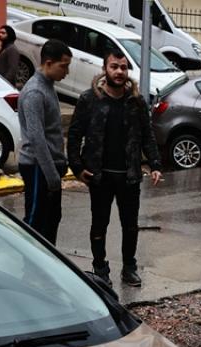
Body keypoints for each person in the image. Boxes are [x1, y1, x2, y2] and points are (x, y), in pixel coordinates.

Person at [67, 48, 163, 288]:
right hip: (99, 177)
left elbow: (147, 136)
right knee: (99, 224)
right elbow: (74, 135)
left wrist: (155, 164)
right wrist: (77, 167)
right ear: (104, 69)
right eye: (114, 67)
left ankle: (129, 267)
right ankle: (100, 268)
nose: (119, 72)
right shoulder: (89, 99)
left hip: (129, 177)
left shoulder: (136, 102)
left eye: (123, 67)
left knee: (130, 225)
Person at [18, 39, 71, 244]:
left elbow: (52, 132)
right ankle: (29, 271)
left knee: (51, 220)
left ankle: (49, 268)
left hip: (48, 168)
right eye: (63, 66)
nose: (66, 72)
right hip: (38, 167)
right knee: (35, 224)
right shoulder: (35, 92)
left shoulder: (48, 86)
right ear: (48, 63)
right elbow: (37, 138)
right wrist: (52, 176)